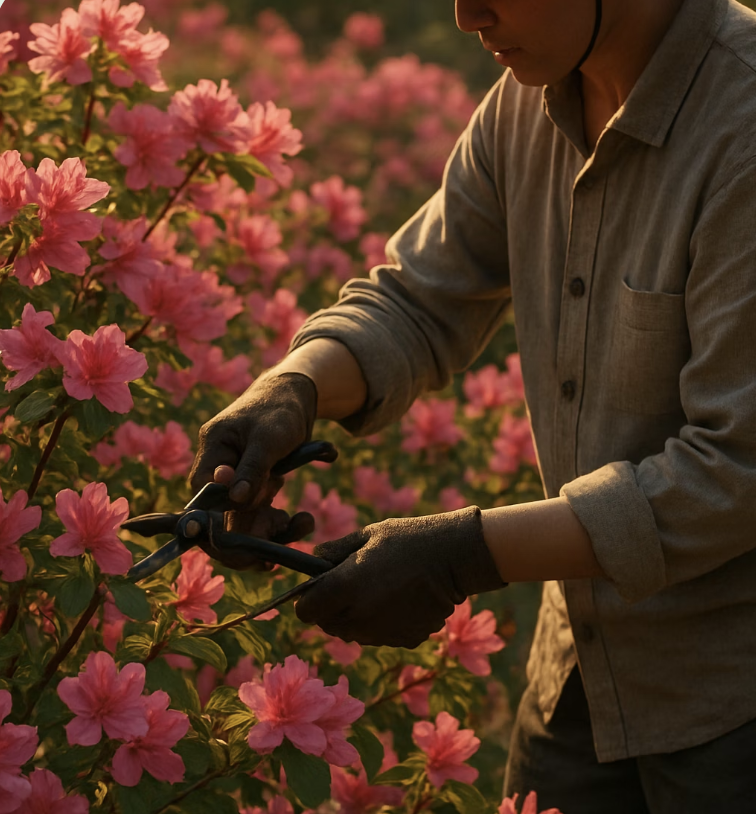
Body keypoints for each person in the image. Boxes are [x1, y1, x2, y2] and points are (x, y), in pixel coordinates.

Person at [189, 0, 756, 809]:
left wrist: (462, 553)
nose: (466, 16)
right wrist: (292, 391)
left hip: (733, 710)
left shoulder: (744, 127)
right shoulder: (533, 95)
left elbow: (736, 470)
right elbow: (420, 300)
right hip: (579, 681)